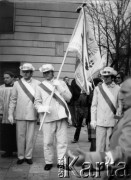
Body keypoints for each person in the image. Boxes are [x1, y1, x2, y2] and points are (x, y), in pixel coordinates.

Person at [68, 77, 131, 180]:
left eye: (125, 92)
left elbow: (125, 153)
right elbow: (94, 106)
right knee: (99, 145)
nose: (120, 96)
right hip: (116, 170)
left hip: (123, 174)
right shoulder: (128, 112)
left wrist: (92, 159)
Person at [34, 64, 72, 171]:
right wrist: (41, 108)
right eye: (44, 73)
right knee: (47, 142)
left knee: (62, 142)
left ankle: (62, 162)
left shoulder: (62, 83)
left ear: (53, 72)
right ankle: (49, 162)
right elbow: (36, 102)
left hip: (61, 116)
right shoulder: (40, 86)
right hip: (47, 117)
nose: (46, 74)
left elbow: (69, 98)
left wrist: (59, 87)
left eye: (48, 72)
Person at [8, 63, 40, 165]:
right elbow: (13, 99)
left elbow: (40, 100)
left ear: (31, 72)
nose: (25, 74)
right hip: (20, 114)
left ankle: (28, 156)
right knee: (20, 137)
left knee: (30, 137)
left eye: (27, 72)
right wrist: (10, 114)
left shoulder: (38, 83)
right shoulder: (17, 84)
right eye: (24, 72)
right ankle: (21, 156)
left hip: (32, 113)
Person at [90, 67, 120, 152]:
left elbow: (119, 107)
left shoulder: (118, 89)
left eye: (107, 76)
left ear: (112, 77)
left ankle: (108, 164)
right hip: (100, 121)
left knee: (110, 146)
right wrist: (93, 120)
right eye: (104, 76)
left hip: (112, 122)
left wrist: (117, 121)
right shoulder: (98, 88)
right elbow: (94, 106)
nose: (105, 78)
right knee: (99, 146)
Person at [0, 71, 17, 158]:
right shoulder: (1, 88)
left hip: (15, 113)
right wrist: (1, 112)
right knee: (6, 133)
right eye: (4, 78)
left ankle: (17, 150)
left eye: (7, 77)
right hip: (5, 114)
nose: (5, 79)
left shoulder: (17, 87)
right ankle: (8, 151)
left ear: (12, 78)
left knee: (15, 132)